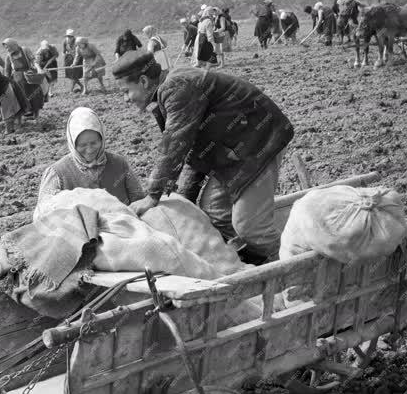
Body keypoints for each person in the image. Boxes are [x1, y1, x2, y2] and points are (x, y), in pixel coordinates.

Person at [112, 51, 294, 265]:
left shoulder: (176, 87)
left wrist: (153, 194)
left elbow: (175, 142)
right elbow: (192, 148)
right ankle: (254, 259)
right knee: (215, 210)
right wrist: (183, 198)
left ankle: (290, 263)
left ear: (143, 81)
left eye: (126, 91)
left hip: (260, 142)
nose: (125, 99)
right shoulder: (170, 89)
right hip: (234, 152)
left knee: (250, 226)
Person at [36, 107, 145, 210]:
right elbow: (45, 212)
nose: (89, 150)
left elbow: (139, 200)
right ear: (72, 144)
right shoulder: (58, 174)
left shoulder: (119, 164)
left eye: (94, 143)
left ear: (102, 139)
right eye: (82, 145)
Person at [3, 38, 44, 118]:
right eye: (6, 48)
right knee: (21, 97)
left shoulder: (25, 50)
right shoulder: (8, 56)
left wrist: (38, 68)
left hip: (30, 76)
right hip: (18, 79)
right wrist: (6, 82)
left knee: (35, 95)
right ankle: (25, 112)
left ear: (14, 45)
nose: (7, 49)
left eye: (9, 47)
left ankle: (36, 114)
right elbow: (7, 70)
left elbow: (33, 61)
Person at [63, 29, 83, 93]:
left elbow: (78, 55)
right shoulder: (65, 41)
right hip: (68, 60)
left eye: (70, 36)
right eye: (67, 36)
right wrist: (65, 57)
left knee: (74, 75)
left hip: (77, 60)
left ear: (73, 37)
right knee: (72, 76)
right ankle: (82, 86)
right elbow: (63, 52)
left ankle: (71, 91)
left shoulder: (77, 43)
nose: (68, 38)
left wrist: (74, 63)